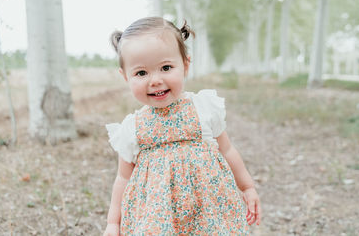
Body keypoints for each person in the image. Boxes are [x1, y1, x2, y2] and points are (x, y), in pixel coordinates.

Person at [103, 17, 261, 235]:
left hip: (208, 208)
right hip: (158, 217)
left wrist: (247, 187)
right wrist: (113, 222)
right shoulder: (132, 128)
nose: (155, 80)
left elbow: (227, 150)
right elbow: (123, 178)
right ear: (125, 77)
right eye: (141, 73)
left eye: (166, 67)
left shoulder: (203, 108)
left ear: (185, 65)